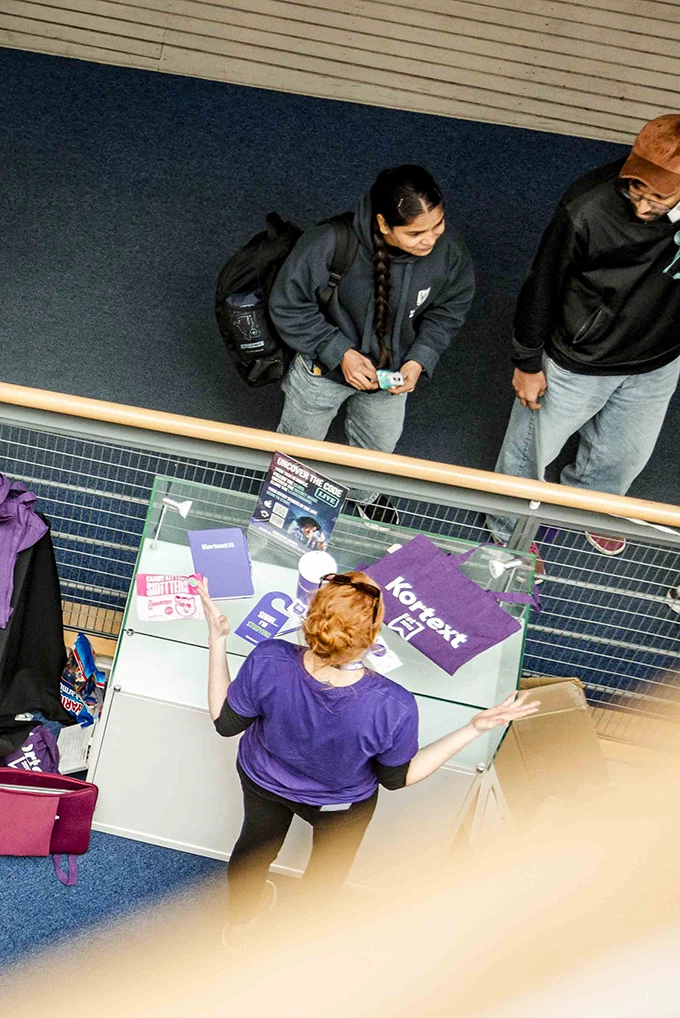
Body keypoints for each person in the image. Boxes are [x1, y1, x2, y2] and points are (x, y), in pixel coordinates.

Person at [196, 573, 536, 950]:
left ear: (311, 619)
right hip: (340, 805)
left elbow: (225, 723)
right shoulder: (392, 705)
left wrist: (217, 639)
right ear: (370, 641)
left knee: (254, 849)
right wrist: (474, 728)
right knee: (326, 877)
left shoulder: (269, 659)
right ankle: (294, 949)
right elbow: (396, 778)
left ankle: (240, 931)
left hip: (263, 780)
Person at [487, 114, 680, 557]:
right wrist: (527, 362)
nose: (643, 205)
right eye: (636, 187)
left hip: (658, 358)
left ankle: (593, 503)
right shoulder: (585, 208)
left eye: (658, 195)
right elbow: (542, 286)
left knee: (625, 455)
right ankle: (507, 528)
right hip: (580, 356)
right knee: (529, 451)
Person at [269, 165, 477, 522]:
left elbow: (449, 310)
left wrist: (420, 358)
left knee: (379, 447)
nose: (430, 239)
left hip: (391, 377)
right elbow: (288, 304)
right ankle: (288, 501)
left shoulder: (448, 251)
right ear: (383, 224)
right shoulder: (329, 242)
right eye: (415, 233)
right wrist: (339, 353)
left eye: (438, 226)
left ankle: (365, 496)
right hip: (321, 371)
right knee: (298, 448)